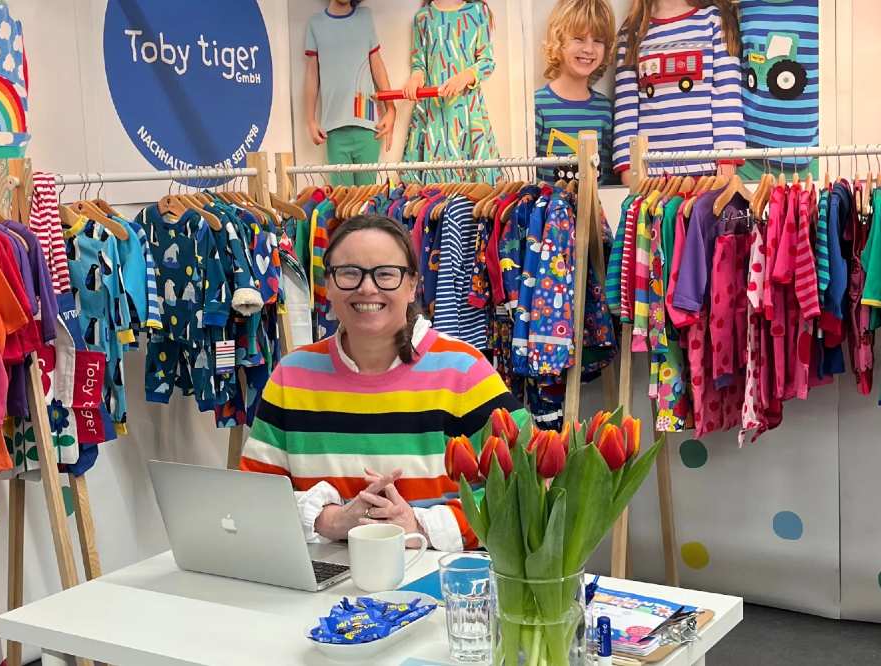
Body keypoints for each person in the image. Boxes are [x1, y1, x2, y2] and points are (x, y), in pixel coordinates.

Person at [240, 215, 527, 552]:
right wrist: (329, 519)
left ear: (412, 285)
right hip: (316, 589)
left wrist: (418, 523)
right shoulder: (291, 376)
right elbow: (254, 496)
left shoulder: (464, 372)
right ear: (328, 285)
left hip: (434, 584)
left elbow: (530, 485)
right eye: (349, 273)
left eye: (386, 274)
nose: (367, 287)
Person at [612, 0, 745, 184]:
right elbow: (625, 109)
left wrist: (728, 160)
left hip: (707, 171)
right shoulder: (632, 32)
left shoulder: (713, 20)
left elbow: (727, 94)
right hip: (650, 175)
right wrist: (629, 168)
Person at [401, 0, 500, 184]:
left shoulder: (478, 11)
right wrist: (415, 78)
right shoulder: (423, 17)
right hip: (433, 115)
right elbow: (418, 63)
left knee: (475, 190)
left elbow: (487, 62)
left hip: (467, 113)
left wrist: (465, 76)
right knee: (432, 194)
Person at [304, 0, 396, 186]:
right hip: (333, 130)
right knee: (342, 204)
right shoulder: (315, 23)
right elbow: (312, 74)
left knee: (367, 203)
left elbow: (377, 65)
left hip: (368, 126)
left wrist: (391, 109)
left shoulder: (365, 17)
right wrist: (311, 120)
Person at [535, 0, 617, 185]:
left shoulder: (605, 110)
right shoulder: (538, 106)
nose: (588, 49)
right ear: (559, 40)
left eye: (598, 40)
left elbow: (609, 181)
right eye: (579, 38)